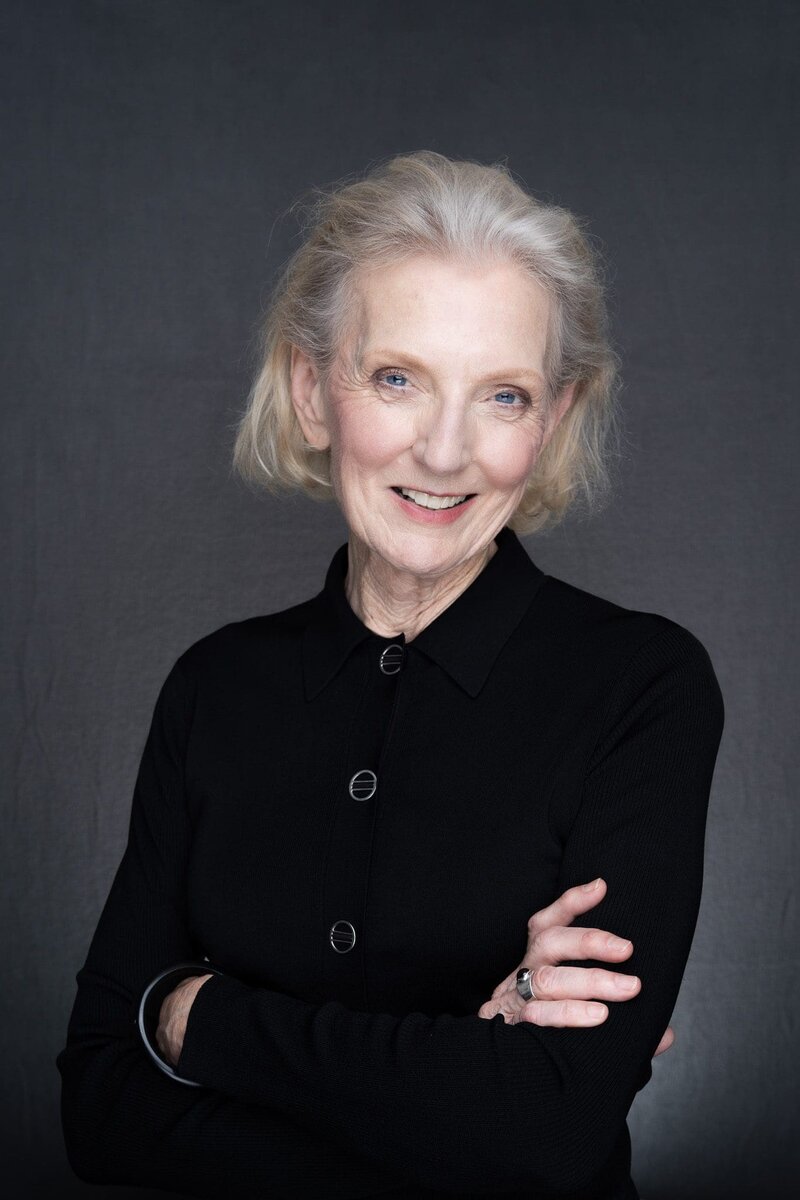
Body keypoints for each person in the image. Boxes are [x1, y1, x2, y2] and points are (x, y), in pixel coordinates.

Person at [56, 150, 725, 1200]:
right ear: (311, 391)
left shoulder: (640, 687)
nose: (446, 450)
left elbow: (541, 1137)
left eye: (502, 396)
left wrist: (195, 1018)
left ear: (549, 423)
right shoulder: (212, 688)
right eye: (397, 378)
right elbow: (98, 1112)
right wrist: (457, 1077)